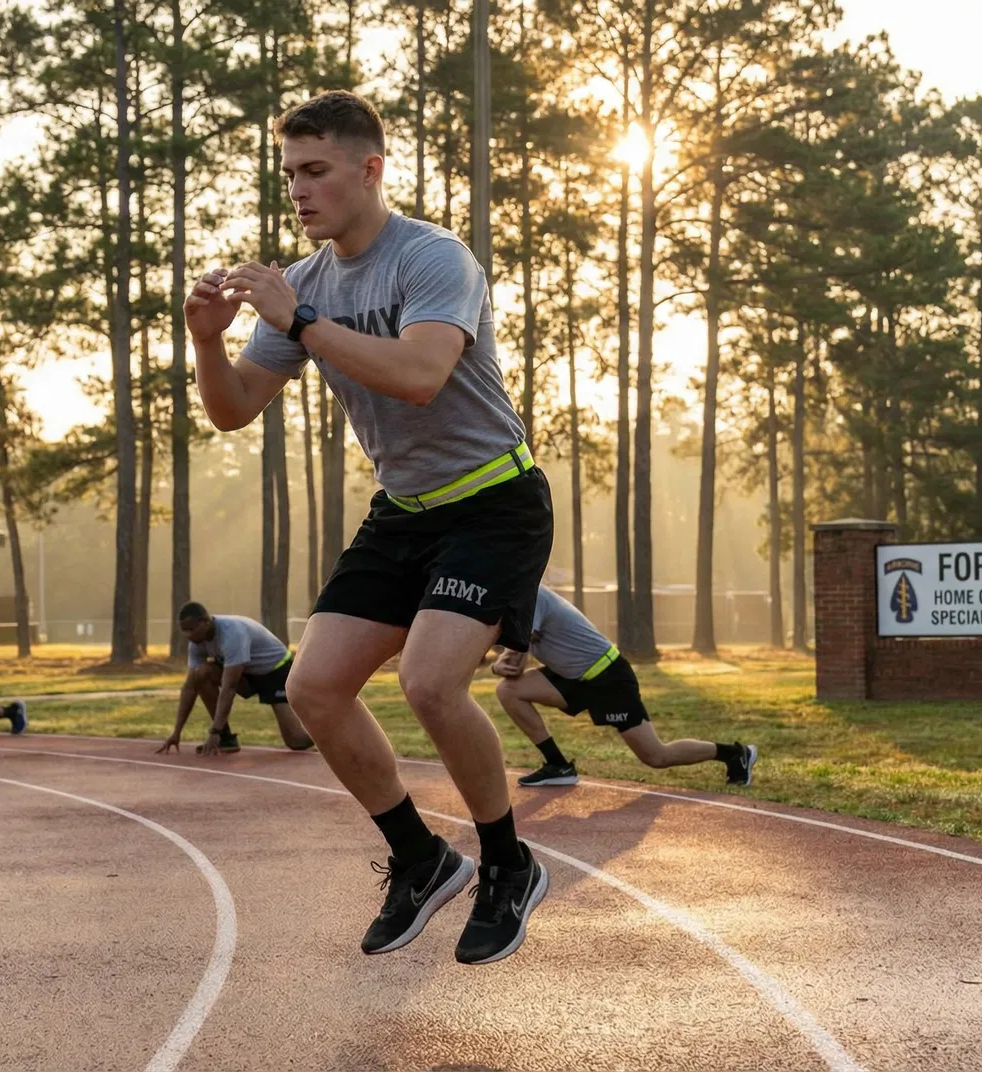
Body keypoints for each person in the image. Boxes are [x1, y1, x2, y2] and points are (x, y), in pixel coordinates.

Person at [187, 90, 551, 965]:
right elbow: (234, 409)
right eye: (289, 176)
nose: (299, 192)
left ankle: (507, 864)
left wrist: (301, 322)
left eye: (316, 172)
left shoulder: (433, 258)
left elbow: (423, 373)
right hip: (404, 512)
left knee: (430, 683)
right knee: (314, 691)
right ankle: (422, 858)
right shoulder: (305, 285)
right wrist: (206, 340)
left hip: (493, 500)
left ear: (369, 168)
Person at [493, 587, 758, 787]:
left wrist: (502, 661)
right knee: (508, 690)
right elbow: (507, 658)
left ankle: (735, 753)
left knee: (656, 756)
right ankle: (558, 765)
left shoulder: (529, 594)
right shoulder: (511, 598)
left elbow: (514, 660)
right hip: (570, 676)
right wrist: (497, 666)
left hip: (608, 676)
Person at [160, 602, 314, 756]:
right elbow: (190, 687)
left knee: (297, 741)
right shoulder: (196, 643)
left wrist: (214, 730)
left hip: (275, 670)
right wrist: (176, 732)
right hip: (248, 674)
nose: (188, 635)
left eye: (191, 629)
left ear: (206, 622)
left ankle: (330, 729)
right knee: (200, 675)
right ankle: (226, 739)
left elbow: (229, 687)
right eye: (184, 630)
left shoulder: (232, 634)